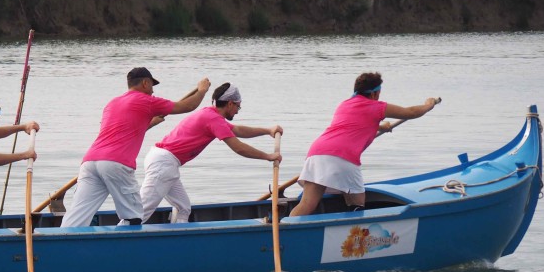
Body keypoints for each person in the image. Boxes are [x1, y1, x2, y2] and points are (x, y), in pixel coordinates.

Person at [60, 67, 211, 228]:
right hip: (116, 163)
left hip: (90, 162)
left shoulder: (112, 103)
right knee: (133, 217)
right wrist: (201, 91)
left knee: (77, 215)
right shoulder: (147, 101)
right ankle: (122, 248)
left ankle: (61, 243)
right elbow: (187, 106)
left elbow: (124, 132)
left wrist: (150, 120)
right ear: (145, 83)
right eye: (152, 86)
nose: (153, 91)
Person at [288, 72, 438, 217]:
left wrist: (380, 126)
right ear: (374, 94)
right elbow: (410, 112)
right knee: (357, 203)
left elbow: (351, 124)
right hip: (342, 157)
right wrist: (428, 105)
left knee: (306, 204)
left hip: (316, 153)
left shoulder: (344, 105)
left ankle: (286, 230)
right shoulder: (377, 107)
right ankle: (351, 236)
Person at [138, 82, 283, 223]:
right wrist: (268, 156)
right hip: (163, 163)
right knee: (139, 213)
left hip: (164, 161)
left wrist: (268, 130)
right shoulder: (213, 119)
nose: (238, 110)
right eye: (238, 106)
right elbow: (239, 148)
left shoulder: (211, 114)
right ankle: (119, 240)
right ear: (230, 103)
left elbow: (237, 130)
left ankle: (178, 240)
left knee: (184, 209)